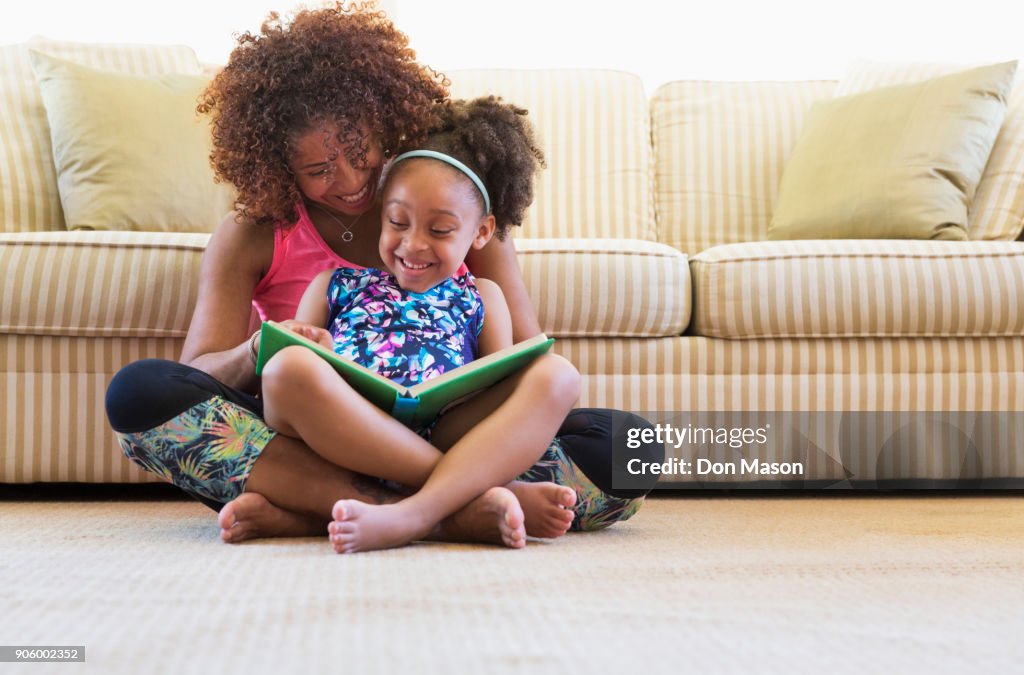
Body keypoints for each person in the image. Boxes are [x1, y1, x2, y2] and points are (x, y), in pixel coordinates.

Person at [104, 3, 659, 546]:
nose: (349, 181)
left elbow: (522, 364)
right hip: (315, 428)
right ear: (276, 164)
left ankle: (314, 509)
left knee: (632, 449)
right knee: (140, 397)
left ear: (383, 122)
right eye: (319, 170)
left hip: (451, 423)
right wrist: (259, 350)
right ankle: (445, 509)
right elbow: (198, 374)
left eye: (358, 151)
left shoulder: (446, 203)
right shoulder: (252, 232)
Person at [263, 96, 586, 553]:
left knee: (559, 375)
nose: (413, 245)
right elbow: (293, 359)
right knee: (286, 369)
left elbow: (499, 388)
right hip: (351, 425)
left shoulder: (482, 295)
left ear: (481, 232)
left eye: (439, 231)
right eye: (398, 222)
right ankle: (464, 496)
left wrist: (477, 386)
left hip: (445, 426)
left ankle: (406, 513)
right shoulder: (335, 284)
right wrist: (316, 345)